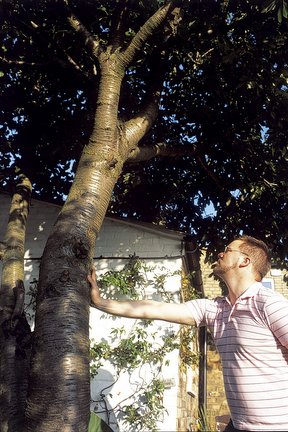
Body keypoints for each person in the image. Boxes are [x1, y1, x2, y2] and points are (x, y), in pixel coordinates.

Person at [88, 235, 288, 432]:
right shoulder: (215, 309)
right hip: (237, 426)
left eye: (228, 250)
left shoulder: (268, 303)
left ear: (245, 261)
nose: (220, 253)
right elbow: (155, 308)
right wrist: (101, 302)